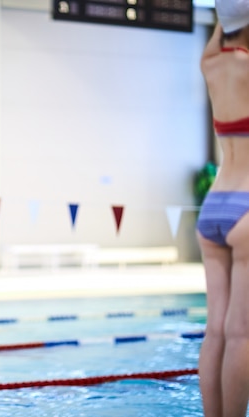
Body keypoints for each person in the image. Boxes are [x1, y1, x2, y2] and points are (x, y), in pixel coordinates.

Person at [197, 7, 249, 417]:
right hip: (248, 208)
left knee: (215, 330)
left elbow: (227, 21)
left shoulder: (209, 63)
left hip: (214, 205)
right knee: (241, 332)